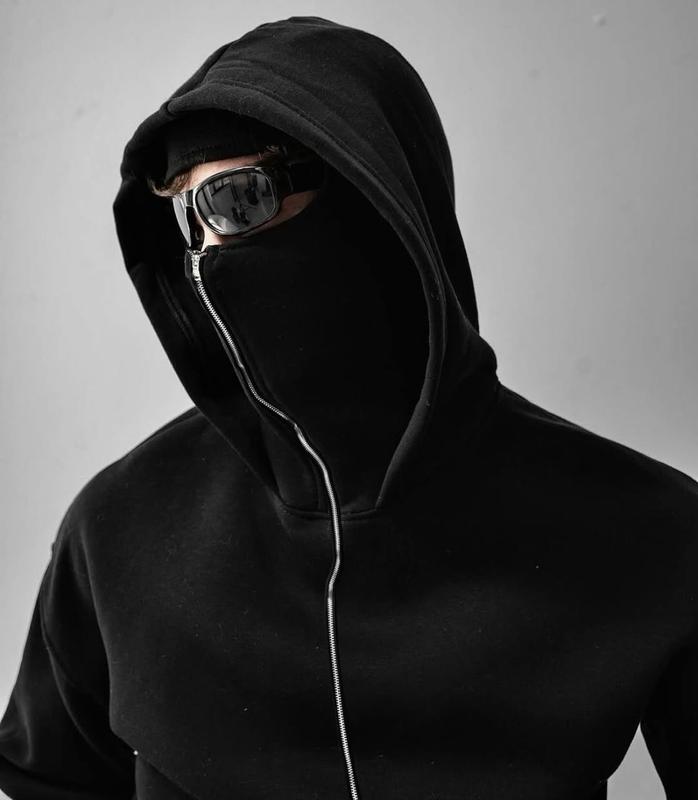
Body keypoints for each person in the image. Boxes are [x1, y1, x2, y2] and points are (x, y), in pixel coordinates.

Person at [0, 15, 696, 800]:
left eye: (238, 197)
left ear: (375, 194)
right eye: (188, 218)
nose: (207, 257)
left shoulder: (644, 528)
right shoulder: (117, 531)